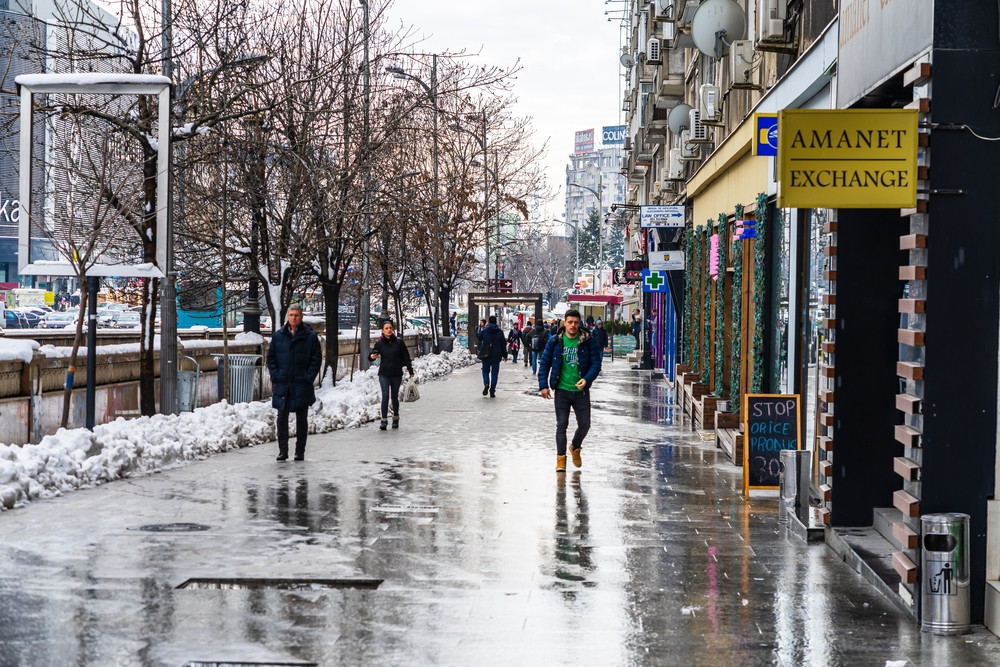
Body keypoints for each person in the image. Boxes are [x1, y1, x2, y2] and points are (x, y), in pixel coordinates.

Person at [537, 309, 603, 472]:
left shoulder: (588, 341)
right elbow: (544, 363)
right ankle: (561, 459)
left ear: (579, 323)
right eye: (570, 322)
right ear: (564, 323)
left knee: (585, 425)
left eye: (575, 322)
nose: (573, 325)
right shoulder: (555, 341)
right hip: (561, 390)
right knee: (561, 425)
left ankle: (575, 447)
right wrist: (543, 386)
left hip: (580, 391)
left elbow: (596, 364)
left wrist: (587, 379)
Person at [267, 304, 323, 461]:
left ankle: (300, 451)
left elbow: (316, 359)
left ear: (301, 317)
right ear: (287, 317)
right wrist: (276, 375)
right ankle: (283, 450)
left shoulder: (310, 337)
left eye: (296, 315)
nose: (293, 318)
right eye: (291, 315)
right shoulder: (278, 336)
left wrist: (308, 377)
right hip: (283, 383)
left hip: (301, 383)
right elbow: (271, 357)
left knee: (301, 418)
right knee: (281, 417)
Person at [369, 320, 415, 430]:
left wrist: (410, 370)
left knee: (394, 396)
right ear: (382, 331)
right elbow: (371, 355)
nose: (389, 330)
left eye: (390, 328)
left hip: (396, 373)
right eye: (386, 328)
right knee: (385, 396)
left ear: (393, 330)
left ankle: (395, 418)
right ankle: (383, 420)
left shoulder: (399, 342)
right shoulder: (379, 343)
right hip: (384, 374)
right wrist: (371, 356)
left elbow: (406, 357)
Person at [478, 315, 507, 397]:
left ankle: (486, 383)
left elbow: (479, 337)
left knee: (485, 370)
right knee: (494, 374)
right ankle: (492, 390)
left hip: (486, 354)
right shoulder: (500, 332)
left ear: (489, 322)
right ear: (496, 322)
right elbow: (503, 345)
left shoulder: (485, 330)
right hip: (496, 355)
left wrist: (482, 327)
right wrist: (505, 355)